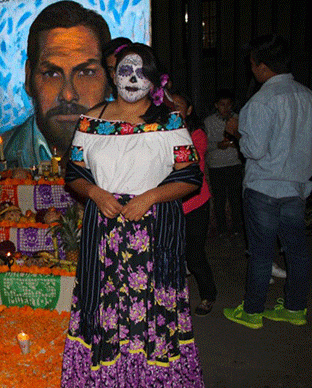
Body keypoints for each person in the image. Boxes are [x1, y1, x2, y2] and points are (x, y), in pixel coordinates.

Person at [61, 43, 204, 387]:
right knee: (106, 310)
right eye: (125, 70)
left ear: (155, 80)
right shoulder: (91, 121)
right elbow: (74, 172)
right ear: (114, 75)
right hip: (104, 238)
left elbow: (191, 175)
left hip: (151, 240)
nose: (132, 79)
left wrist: (151, 197)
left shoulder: (169, 122)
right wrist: (95, 192)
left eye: (141, 72)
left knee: (148, 314)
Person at [223, 35, 312, 329]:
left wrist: (236, 132)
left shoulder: (262, 101)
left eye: (252, 64)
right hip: (296, 187)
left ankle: (252, 312)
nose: (251, 70)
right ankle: (295, 308)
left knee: (261, 254)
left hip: (264, 189)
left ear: (261, 65)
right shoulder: (307, 96)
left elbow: (254, 150)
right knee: (296, 253)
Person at [2, 1, 111, 168]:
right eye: (52, 74)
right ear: (28, 77)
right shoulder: (7, 150)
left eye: (86, 73)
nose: (68, 95)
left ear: (110, 81)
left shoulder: (133, 147)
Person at [172, 90, 217, 316]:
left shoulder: (197, 134)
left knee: (195, 255)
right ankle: (177, 300)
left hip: (195, 203)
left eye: (178, 105)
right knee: (172, 255)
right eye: (170, 105)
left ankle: (209, 295)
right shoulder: (162, 131)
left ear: (189, 110)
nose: (174, 109)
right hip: (170, 204)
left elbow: (191, 166)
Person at [203, 89, 243, 239]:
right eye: (222, 104)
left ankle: (238, 228)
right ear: (216, 105)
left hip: (234, 163)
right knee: (219, 199)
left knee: (235, 198)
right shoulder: (209, 122)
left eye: (228, 104)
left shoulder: (238, 119)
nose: (225, 108)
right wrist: (218, 145)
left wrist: (236, 143)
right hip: (216, 165)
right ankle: (221, 229)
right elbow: (205, 144)